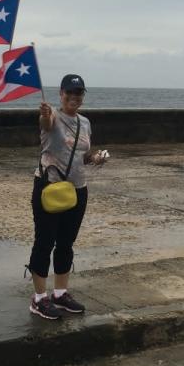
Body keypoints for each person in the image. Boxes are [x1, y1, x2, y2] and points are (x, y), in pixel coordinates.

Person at [27, 74, 109, 319]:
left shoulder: (85, 123)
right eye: (69, 93)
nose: (74, 97)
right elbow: (46, 124)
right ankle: (39, 298)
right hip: (49, 187)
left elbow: (81, 155)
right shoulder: (52, 116)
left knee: (66, 242)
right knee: (44, 242)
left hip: (77, 189)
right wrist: (44, 113)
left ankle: (60, 293)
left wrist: (95, 158)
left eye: (79, 93)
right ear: (60, 94)